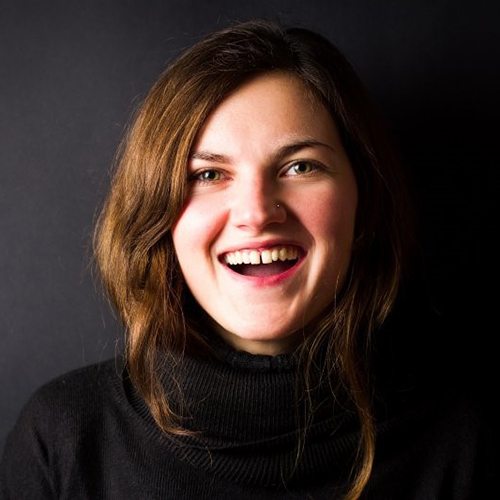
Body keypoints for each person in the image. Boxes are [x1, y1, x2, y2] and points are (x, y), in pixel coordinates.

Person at [0, 19, 493, 500]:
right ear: (158, 215)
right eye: (209, 175)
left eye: (300, 166)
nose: (257, 214)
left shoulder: (464, 440)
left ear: (363, 203)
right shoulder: (63, 440)